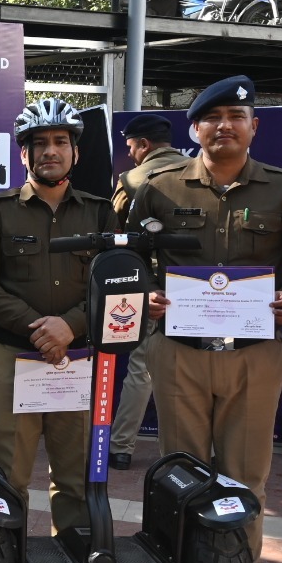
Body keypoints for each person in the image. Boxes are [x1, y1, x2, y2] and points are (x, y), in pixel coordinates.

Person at [129, 74, 282, 563]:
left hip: (254, 355)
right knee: (180, 476)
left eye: (235, 118)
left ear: (253, 128)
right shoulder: (160, 188)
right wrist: (147, 293)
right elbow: (133, 255)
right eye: (212, 118)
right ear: (195, 129)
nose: (224, 127)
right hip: (181, 353)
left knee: (246, 482)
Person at [0, 99, 114, 542]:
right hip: (14, 359)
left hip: (76, 361)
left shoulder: (100, 213)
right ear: (24, 154)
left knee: (75, 476)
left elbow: (119, 282)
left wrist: (70, 325)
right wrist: (39, 327)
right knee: (8, 475)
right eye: (40, 143)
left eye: (60, 142)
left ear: (76, 153)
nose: (51, 150)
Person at [109, 112, 188, 469]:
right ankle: (186, 452)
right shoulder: (200, 171)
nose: (130, 155)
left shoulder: (132, 179)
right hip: (200, 291)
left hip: (150, 289)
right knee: (191, 372)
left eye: (131, 147)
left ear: (144, 145)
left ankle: (122, 447)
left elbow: (115, 234)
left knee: (140, 369)